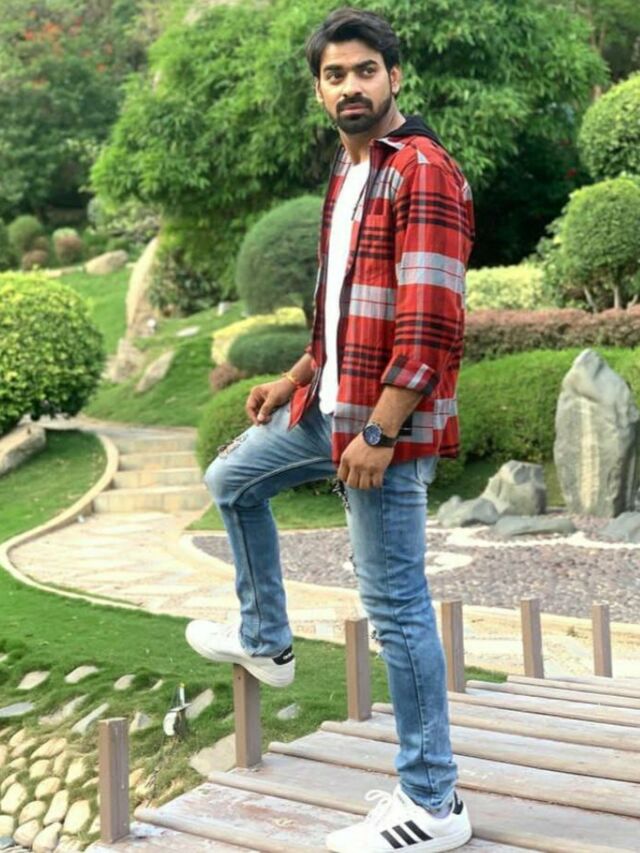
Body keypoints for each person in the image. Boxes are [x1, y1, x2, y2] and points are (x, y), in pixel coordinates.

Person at [186, 7, 474, 851]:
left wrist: (380, 435)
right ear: (319, 88)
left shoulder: (421, 170)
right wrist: (296, 375)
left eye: (364, 71)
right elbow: (344, 312)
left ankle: (434, 803)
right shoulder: (348, 174)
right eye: (334, 75)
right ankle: (265, 639)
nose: (350, 86)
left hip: (382, 431)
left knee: (396, 609)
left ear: (394, 77)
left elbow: (430, 323)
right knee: (231, 478)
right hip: (329, 411)